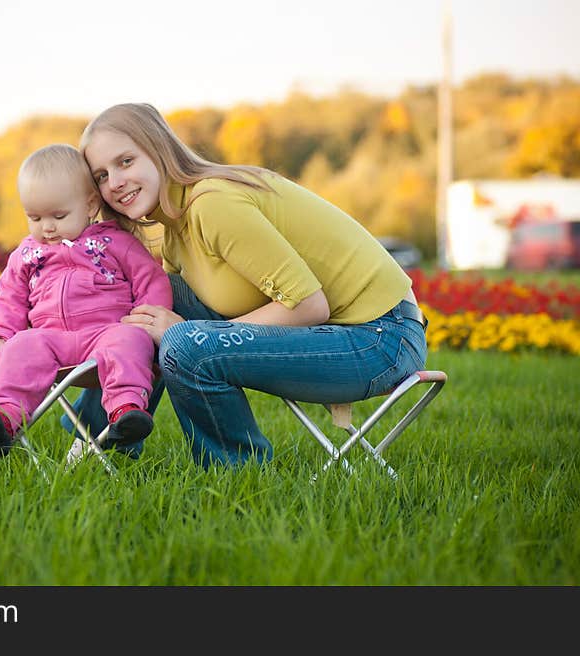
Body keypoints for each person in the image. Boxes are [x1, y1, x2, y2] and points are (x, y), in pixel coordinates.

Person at [64, 102, 429, 469]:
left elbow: (309, 305)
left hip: (380, 339)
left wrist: (196, 333)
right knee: (148, 301)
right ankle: (98, 441)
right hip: (337, 332)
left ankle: (237, 473)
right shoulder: (176, 230)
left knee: (184, 342)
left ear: (160, 150)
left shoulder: (212, 203)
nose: (115, 182)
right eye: (101, 176)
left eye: (126, 162)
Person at [0, 143, 172, 456]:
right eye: (34, 218)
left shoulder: (116, 242)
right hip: (49, 340)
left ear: (90, 205)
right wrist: (0, 334)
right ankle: (2, 417)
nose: (47, 227)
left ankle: (125, 410)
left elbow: (151, 279)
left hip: (105, 334)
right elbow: (10, 298)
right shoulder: (27, 254)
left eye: (59, 216)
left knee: (129, 339)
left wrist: (149, 320)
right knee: (20, 347)